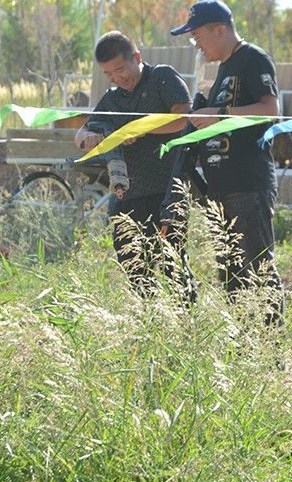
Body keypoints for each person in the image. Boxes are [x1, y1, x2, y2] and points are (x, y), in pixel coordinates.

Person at [169, 0, 285, 325]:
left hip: (247, 184)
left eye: (198, 37)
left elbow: (271, 109)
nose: (197, 45)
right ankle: (242, 347)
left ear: (219, 30)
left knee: (258, 269)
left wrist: (219, 114)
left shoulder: (253, 59)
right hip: (217, 190)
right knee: (231, 276)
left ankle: (270, 349)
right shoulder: (222, 69)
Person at [74, 31, 195, 302]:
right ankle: (149, 317)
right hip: (128, 193)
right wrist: (89, 139)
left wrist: (142, 130)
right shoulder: (112, 99)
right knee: (131, 261)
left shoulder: (162, 77)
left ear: (136, 58)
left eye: (120, 69)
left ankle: (187, 323)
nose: (117, 78)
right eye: (108, 74)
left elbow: (183, 118)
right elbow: (80, 135)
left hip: (167, 189)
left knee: (172, 262)